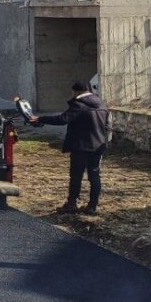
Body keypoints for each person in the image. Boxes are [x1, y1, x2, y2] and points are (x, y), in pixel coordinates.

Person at [29, 81, 110, 215]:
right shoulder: (101, 104)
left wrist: (40, 119)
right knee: (94, 176)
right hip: (97, 146)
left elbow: (62, 119)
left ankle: (71, 204)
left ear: (76, 91)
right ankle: (92, 206)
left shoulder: (79, 104)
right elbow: (107, 126)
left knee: (76, 176)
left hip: (81, 146)